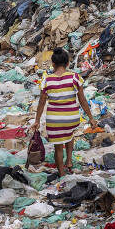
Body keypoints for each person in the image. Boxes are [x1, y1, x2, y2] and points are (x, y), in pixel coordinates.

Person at [29, 47, 95, 175]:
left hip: (55, 120)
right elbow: (82, 100)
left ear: (53, 63)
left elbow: (42, 102)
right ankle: (69, 160)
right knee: (69, 132)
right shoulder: (75, 77)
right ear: (68, 63)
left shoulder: (47, 80)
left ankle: (61, 174)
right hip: (72, 118)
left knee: (58, 148)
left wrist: (37, 120)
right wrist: (91, 118)